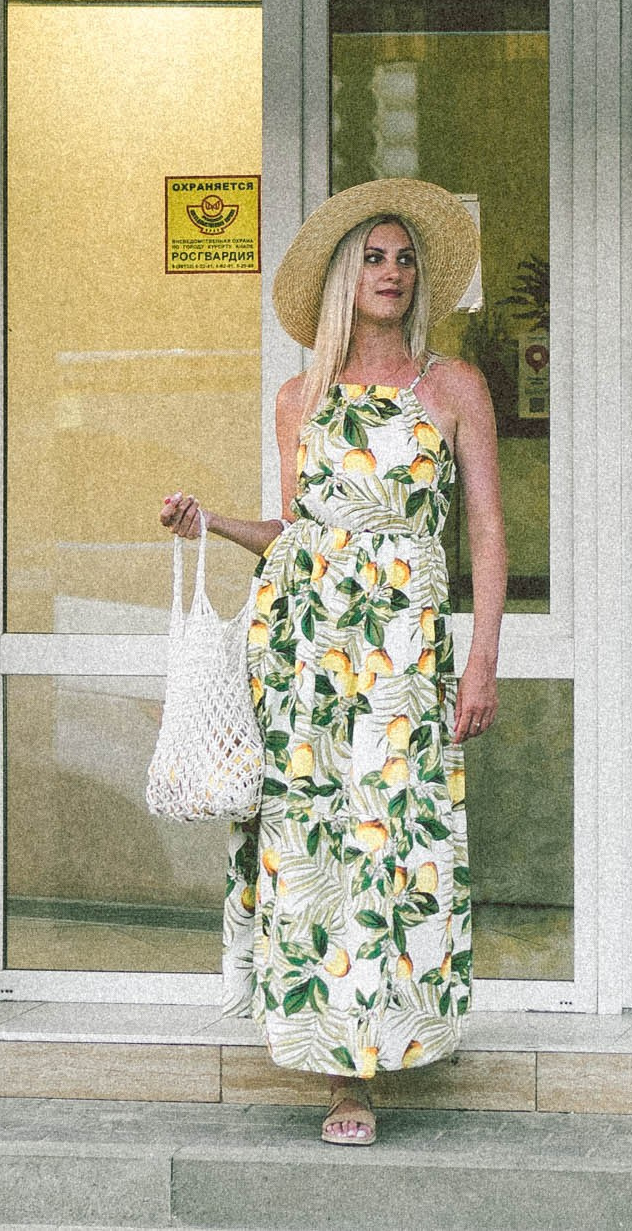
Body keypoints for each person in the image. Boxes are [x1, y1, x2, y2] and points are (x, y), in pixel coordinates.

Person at [158, 178, 503, 1148]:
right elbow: (294, 532)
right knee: (315, 858)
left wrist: (480, 661)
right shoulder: (297, 398)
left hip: (402, 656)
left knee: (393, 847)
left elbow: (486, 535)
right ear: (345, 280)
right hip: (305, 656)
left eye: (402, 259)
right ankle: (342, 1084)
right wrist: (209, 522)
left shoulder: (454, 388)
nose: (389, 272)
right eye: (373, 258)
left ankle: (392, 1042)